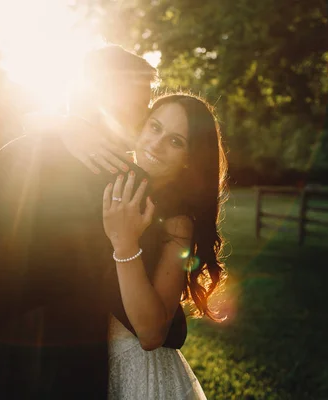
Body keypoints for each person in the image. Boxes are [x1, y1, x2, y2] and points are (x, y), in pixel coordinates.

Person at [0, 45, 188, 399]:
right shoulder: (124, 183)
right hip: (62, 376)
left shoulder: (11, 154)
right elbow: (147, 321)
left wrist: (60, 125)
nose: (142, 116)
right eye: (141, 103)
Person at [80, 93, 227, 398]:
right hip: (82, 363)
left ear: (190, 159)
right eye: (155, 127)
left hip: (137, 372)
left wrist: (124, 242)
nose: (156, 144)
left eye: (176, 141)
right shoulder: (108, 179)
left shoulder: (177, 221)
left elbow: (151, 334)